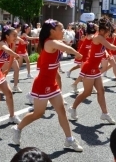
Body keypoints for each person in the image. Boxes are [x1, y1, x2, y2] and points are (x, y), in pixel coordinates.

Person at [11, 19, 84, 152]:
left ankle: (70, 139)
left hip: (52, 84)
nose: (63, 32)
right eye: (61, 29)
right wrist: (76, 52)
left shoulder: (56, 42)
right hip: (42, 84)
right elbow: (64, 47)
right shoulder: (50, 43)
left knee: (61, 111)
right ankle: (17, 128)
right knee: (38, 113)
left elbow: (60, 50)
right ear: (52, 31)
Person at [68, 18, 116, 124]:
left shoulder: (101, 37)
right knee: (87, 93)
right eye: (108, 31)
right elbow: (109, 45)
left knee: (101, 91)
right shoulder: (98, 37)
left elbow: (103, 49)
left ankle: (105, 114)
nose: (109, 33)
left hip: (95, 68)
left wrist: (107, 54)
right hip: (89, 67)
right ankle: (72, 108)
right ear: (102, 31)